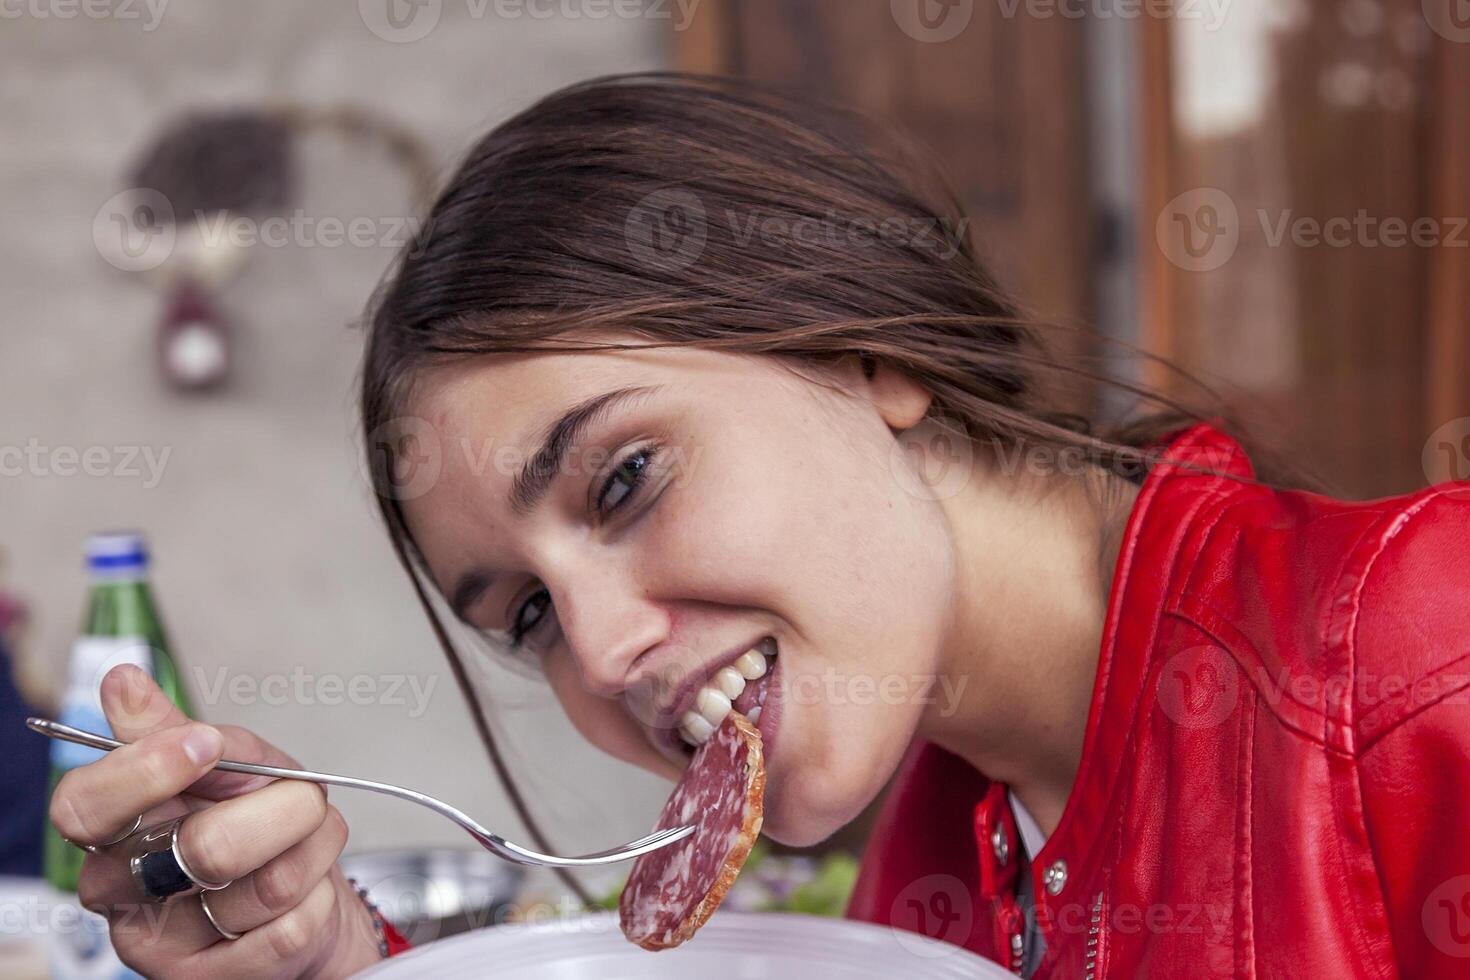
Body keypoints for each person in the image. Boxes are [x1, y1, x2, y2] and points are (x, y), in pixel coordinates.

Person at [48, 73, 1470, 978]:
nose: (600, 654)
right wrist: (327, 958)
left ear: (874, 359)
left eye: (622, 479)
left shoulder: (1421, 646)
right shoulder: (927, 831)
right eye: (527, 614)